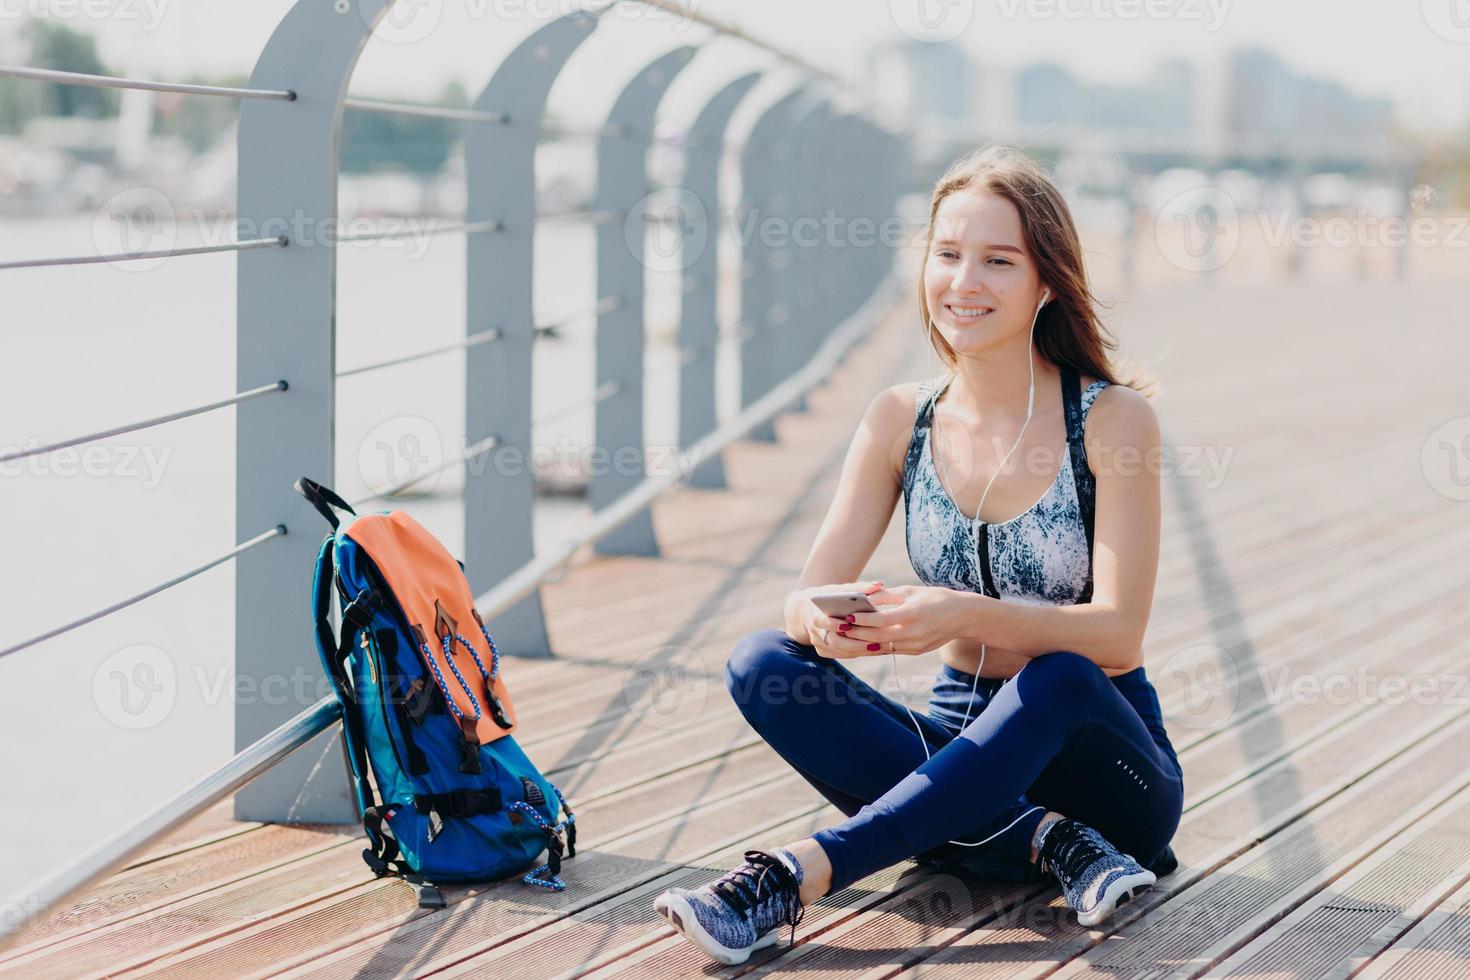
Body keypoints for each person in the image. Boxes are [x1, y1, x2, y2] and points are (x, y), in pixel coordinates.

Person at [653, 144, 1183, 966]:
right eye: (947, 254)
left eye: (998, 261)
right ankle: (1046, 841)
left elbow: (1117, 636)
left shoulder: (1113, 423)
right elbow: (804, 600)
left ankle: (795, 877)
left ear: (1047, 281)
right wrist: (831, 619)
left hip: (1110, 774)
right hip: (954, 742)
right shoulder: (901, 418)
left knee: (1062, 671)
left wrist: (957, 615)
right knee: (762, 662)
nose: (963, 282)